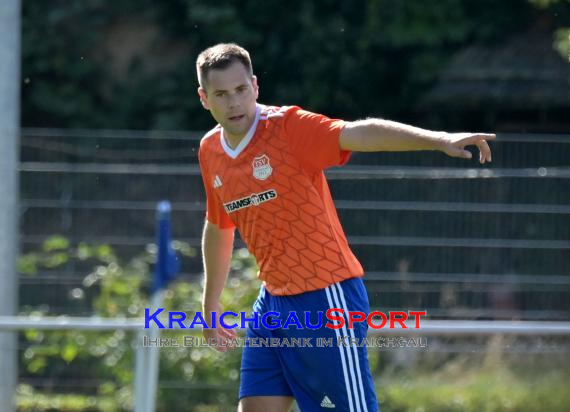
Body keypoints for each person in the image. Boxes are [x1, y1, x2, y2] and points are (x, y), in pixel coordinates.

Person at [196, 43, 494, 412]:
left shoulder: (288, 129)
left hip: (326, 297)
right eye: (221, 94)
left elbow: (360, 132)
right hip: (272, 303)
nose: (234, 102)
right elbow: (219, 225)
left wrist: (438, 140)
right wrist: (210, 302)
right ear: (204, 98)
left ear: (255, 86)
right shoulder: (210, 150)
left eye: (241, 90)